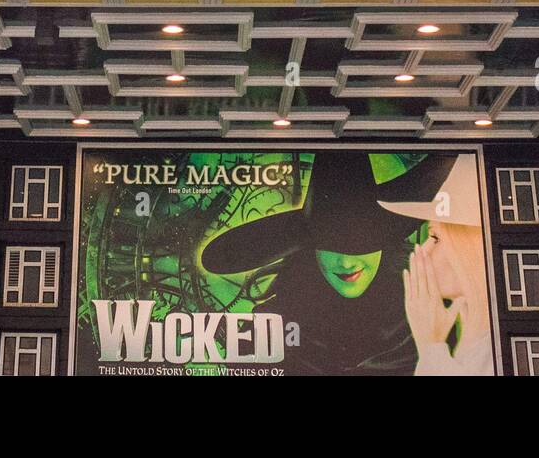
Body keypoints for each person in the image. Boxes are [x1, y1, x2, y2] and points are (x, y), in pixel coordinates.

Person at [198, 151, 452, 375]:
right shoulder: (266, 331)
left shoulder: (425, 322)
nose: (345, 261)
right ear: (310, 249)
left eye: (362, 244)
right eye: (330, 244)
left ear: (385, 244)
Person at [378, 153, 497, 376]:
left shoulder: (491, 349)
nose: (423, 250)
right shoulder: (477, 343)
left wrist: (430, 347)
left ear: (470, 249)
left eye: (436, 237)